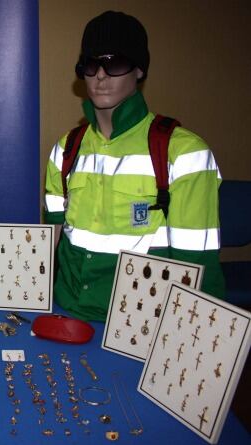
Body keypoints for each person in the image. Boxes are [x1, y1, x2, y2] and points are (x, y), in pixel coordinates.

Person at [44, 10, 225, 321]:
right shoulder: (65, 148)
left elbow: (198, 266)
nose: (101, 76)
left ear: (139, 69)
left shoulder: (185, 153)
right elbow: (54, 237)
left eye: (114, 63)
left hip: (140, 324)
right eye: (91, 64)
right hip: (67, 310)